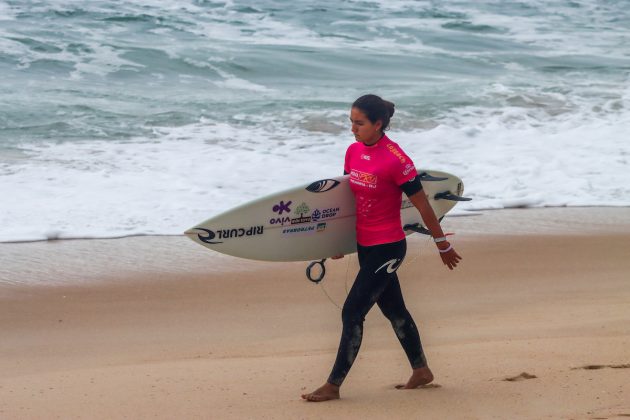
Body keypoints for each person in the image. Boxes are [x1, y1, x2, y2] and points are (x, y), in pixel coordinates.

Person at [301, 94, 462, 402]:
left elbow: (422, 205)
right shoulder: (353, 151)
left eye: (359, 123)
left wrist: (442, 244)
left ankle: (333, 385)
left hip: (388, 246)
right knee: (394, 310)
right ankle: (421, 370)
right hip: (364, 244)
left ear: (378, 123)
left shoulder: (396, 160)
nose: (353, 129)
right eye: (350, 122)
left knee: (352, 312)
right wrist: (339, 242)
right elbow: (348, 202)